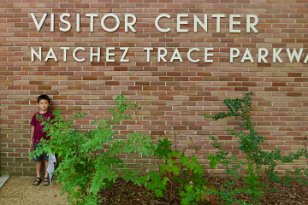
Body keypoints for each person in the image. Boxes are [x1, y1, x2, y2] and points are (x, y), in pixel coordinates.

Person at [29, 94, 54, 186]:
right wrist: (31, 140)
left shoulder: (50, 116)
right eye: (41, 103)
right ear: (38, 104)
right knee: (38, 159)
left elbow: (52, 130)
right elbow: (33, 128)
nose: (43, 105)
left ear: (48, 104)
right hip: (36, 141)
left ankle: (47, 176)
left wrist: (52, 141)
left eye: (45, 103)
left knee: (47, 159)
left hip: (47, 142)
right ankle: (38, 176)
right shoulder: (35, 115)